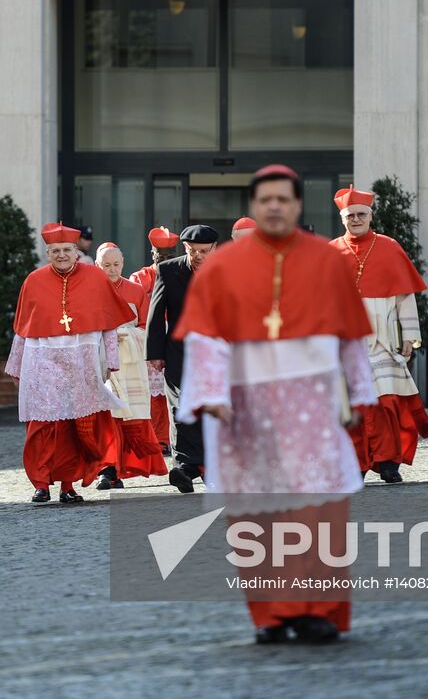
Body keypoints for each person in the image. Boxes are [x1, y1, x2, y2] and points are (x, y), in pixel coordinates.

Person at [174, 164, 376, 645]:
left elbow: (350, 335)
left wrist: (361, 391)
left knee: (318, 506)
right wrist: (210, 395)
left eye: (283, 199)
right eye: (265, 199)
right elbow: (204, 339)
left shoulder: (327, 261)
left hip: (312, 400)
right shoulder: (223, 266)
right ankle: (271, 613)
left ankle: (320, 610)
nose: (274, 206)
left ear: (297, 205)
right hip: (248, 405)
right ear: (254, 206)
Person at [7, 223, 134, 503]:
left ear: (76, 252)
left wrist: (111, 359)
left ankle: (67, 486)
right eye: (55, 251)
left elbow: (109, 324)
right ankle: (40, 484)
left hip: (82, 361)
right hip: (42, 360)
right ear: (48, 253)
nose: (61, 255)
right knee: (42, 427)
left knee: (74, 428)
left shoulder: (96, 278)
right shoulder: (33, 280)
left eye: (67, 250)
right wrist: (15, 366)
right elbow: (23, 328)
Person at [331, 187, 428, 484]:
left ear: (370, 215)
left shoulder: (389, 247)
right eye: (350, 215)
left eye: (361, 214)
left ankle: (389, 462)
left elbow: (405, 297)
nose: (356, 219)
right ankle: (357, 463)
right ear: (342, 219)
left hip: (384, 341)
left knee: (387, 403)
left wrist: (409, 336)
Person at [147, 224, 219, 492]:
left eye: (203, 251)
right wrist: (154, 353)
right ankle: (184, 465)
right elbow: (156, 312)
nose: (198, 256)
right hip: (179, 351)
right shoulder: (169, 270)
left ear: (215, 248)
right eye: (192, 251)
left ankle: (197, 467)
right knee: (180, 408)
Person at [95, 243, 168, 490]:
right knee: (105, 417)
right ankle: (107, 468)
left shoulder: (136, 291)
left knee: (127, 417)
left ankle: (121, 467)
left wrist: (126, 333)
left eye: (116, 264)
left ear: (123, 264)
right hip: (100, 362)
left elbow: (147, 326)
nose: (112, 269)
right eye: (106, 265)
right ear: (97, 265)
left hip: (129, 365)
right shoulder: (89, 290)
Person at [131, 226, 181, 453]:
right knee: (149, 393)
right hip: (148, 335)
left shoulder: (182, 272)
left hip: (175, 335)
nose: (165, 261)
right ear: (153, 255)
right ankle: (152, 439)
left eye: (170, 257)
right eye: (161, 257)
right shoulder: (139, 278)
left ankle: (166, 438)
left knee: (170, 390)